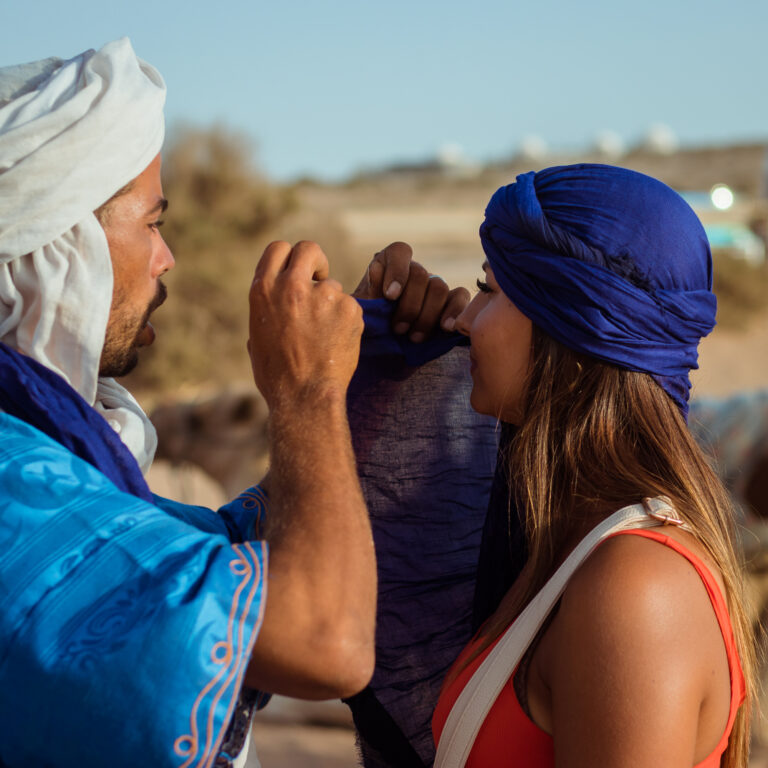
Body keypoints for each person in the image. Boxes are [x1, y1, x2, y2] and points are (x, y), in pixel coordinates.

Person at [0, 38, 389, 768]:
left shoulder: (44, 459)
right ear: (60, 247)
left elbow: (231, 561)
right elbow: (326, 642)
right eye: (151, 223)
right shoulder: (15, 486)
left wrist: (369, 378)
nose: (166, 258)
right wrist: (306, 391)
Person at [353, 165, 756, 767]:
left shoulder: (636, 588)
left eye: (489, 288)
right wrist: (387, 371)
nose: (464, 319)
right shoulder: (562, 546)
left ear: (570, 328)